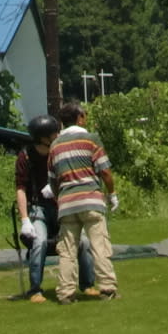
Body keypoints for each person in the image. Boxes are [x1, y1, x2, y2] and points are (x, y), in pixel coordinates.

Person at [14, 114, 95, 303]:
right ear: (42, 138)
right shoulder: (25, 156)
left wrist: (56, 185)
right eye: (53, 134)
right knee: (39, 241)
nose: (57, 136)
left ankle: (88, 284)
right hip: (38, 209)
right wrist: (25, 220)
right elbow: (20, 189)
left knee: (83, 242)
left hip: (61, 206)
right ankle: (34, 289)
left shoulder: (58, 152)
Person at [47, 100, 118, 304]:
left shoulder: (55, 146)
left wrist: (60, 198)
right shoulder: (91, 139)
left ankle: (65, 293)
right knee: (99, 246)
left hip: (67, 204)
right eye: (84, 115)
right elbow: (104, 171)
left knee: (67, 251)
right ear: (79, 118)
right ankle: (107, 288)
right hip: (91, 200)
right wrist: (112, 194)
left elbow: (52, 180)